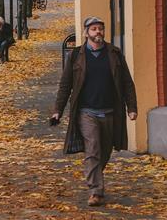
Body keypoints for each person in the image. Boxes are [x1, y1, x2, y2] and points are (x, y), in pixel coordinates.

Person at [50, 16, 137, 208]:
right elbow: (65, 85)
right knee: (93, 149)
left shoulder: (114, 54)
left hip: (110, 111)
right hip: (86, 112)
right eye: (94, 29)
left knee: (104, 152)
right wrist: (58, 110)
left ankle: (95, 176)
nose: (98, 32)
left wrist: (131, 107)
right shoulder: (76, 56)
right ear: (86, 33)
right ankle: (96, 191)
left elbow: (127, 83)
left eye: (101, 28)